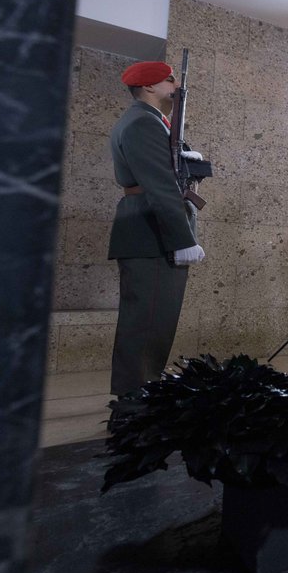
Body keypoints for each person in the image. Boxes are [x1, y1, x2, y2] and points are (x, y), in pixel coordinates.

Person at [108, 61, 205, 396]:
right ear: (148, 86)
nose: (175, 84)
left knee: (154, 324)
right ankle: (133, 406)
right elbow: (161, 186)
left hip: (152, 229)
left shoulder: (154, 122)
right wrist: (183, 238)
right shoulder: (142, 123)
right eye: (169, 79)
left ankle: (140, 398)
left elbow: (168, 171)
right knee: (146, 326)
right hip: (152, 232)